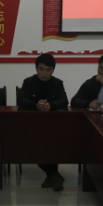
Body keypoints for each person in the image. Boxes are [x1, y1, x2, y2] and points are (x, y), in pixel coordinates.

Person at [18, 53, 69, 191]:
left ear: (53, 70)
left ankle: (51, 176)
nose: (44, 73)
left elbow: (64, 101)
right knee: (35, 145)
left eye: (48, 70)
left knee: (51, 144)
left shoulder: (57, 83)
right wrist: (36, 105)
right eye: (41, 69)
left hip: (52, 124)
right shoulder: (28, 82)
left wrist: (51, 105)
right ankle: (54, 174)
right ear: (36, 69)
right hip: (32, 124)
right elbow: (21, 100)